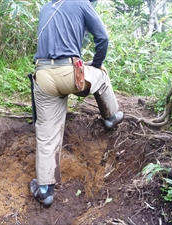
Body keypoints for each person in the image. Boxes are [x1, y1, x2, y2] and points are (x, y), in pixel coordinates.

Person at [29, 0, 124, 207]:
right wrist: (96, 65)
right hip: (71, 75)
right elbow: (102, 38)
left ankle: (45, 190)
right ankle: (110, 116)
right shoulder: (81, 2)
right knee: (101, 74)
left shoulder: (47, 7)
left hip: (43, 75)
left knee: (47, 133)